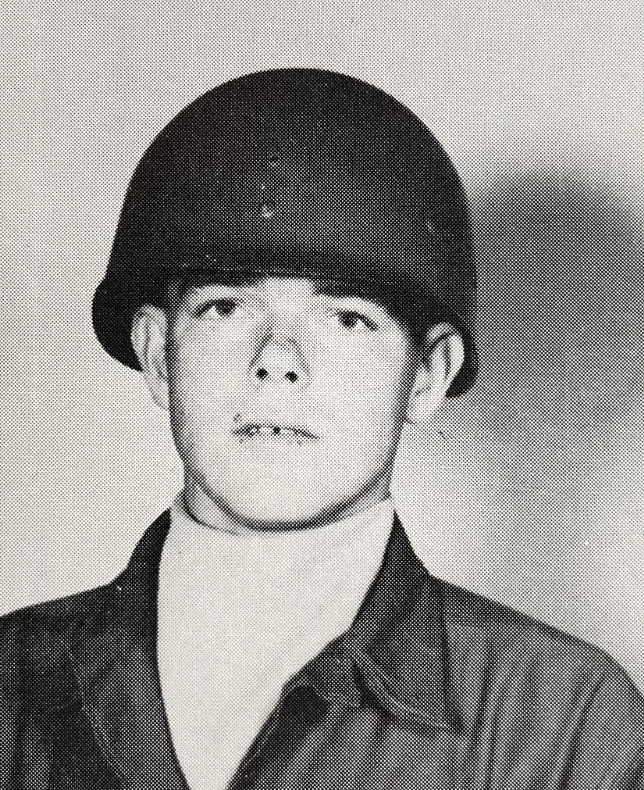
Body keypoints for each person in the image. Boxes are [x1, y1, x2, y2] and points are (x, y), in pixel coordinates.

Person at [1, 68, 642, 790]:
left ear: (427, 375)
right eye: (225, 307)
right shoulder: (11, 687)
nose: (278, 361)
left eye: (346, 319)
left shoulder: (563, 723)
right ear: (158, 354)